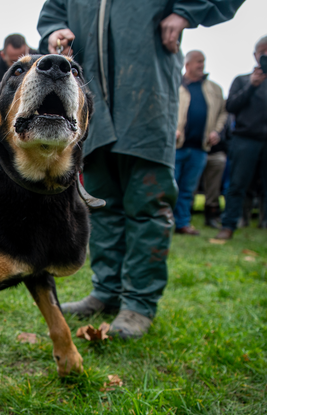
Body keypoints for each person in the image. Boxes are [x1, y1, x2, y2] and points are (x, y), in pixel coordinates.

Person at [37, 0, 243, 339]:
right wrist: (54, 29)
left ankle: (139, 303)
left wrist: (186, 11)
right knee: (101, 205)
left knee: (147, 203)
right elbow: (55, 9)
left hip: (146, 96)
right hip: (92, 101)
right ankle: (107, 291)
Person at [216, 36, 267, 239]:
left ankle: (266, 223)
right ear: (255, 55)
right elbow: (230, 107)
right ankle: (228, 225)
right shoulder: (242, 80)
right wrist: (252, 86)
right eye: (264, 52)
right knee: (237, 183)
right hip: (245, 139)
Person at [173, 50, 227, 235]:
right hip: (176, 146)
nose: (201, 65)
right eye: (198, 62)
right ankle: (165, 222)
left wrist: (217, 131)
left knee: (188, 189)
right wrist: (172, 128)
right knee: (170, 186)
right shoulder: (175, 85)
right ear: (187, 65)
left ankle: (182, 223)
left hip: (200, 148)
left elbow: (223, 113)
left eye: (203, 61)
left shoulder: (214, 89)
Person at [202, 114, 233, 228]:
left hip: (218, 151)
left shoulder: (223, 112)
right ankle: (182, 218)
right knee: (188, 187)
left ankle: (211, 215)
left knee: (214, 188)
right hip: (195, 148)